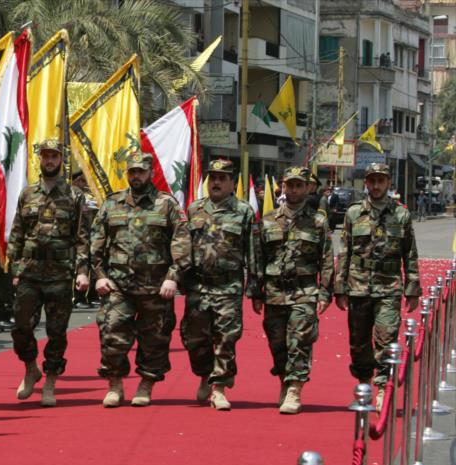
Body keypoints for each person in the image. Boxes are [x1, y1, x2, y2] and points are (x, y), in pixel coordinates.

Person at [91, 152, 191, 407]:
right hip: (118, 286)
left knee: (154, 340)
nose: (136, 176)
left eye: (141, 171)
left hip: (156, 288)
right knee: (111, 334)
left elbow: (182, 243)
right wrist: (99, 276)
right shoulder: (112, 203)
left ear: (151, 173)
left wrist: (173, 277)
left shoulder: (166, 204)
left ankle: (146, 384)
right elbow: (96, 244)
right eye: (132, 171)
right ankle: (115, 384)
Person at [7, 138, 90, 407]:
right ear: (39, 159)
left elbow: (83, 237)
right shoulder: (27, 193)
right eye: (46, 156)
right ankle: (31, 367)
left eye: (54, 156)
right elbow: (17, 233)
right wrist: (14, 268)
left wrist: (82, 271)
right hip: (30, 272)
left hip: (60, 274)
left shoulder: (75, 196)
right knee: (21, 326)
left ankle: (51, 381)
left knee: (56, 331)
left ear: (61, 160)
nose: (50, 161)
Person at [334, 162, 421, 410]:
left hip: (389, 287)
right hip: (358, 286)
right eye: (371, 180)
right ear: (366, 183)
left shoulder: (401, 215)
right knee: (358, 341)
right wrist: (340, 287)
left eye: (380, 181)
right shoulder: (353, 214)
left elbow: (410, 254)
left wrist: (413, 289)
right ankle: (364, 385)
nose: (375, 185)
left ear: (388, 183)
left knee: (386, 337)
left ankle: (384, 387)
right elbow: (344, 252)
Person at [253, 167, 334, 414]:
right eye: (290, 185)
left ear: (308, 188)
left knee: (300, 340)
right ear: (283, 187)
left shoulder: (318, 222)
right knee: (278, 344)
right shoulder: (267, 220)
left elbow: (327, 259)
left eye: (299, 185)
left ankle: (294, 389)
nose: (294, 190)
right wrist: (256, 292)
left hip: (305, 291)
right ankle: (284, 381)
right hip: (274, 292)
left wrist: (325, 292)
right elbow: (257, 258)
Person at [180, 159, 259, 411]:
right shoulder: (194, 209)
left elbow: (252, 252)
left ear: (231, 182)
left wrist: (254, 288)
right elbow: (183, 247)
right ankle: (205, 374)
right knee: (194, 339)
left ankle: (219, 387)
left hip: (228, 287)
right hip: (198, 287)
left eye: (222, 178)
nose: (216, 182)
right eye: (213, 177)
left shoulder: (243, 211)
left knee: (226, 338)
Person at [71, 168, 99, 309]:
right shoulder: (71, 194)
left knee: (95, 265)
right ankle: (78, 297)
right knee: (80, 266)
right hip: (79, 236)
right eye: (80, 180)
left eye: (85, 180)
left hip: (93, 235)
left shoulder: (92, 195)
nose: (83, 184)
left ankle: (93, 295)